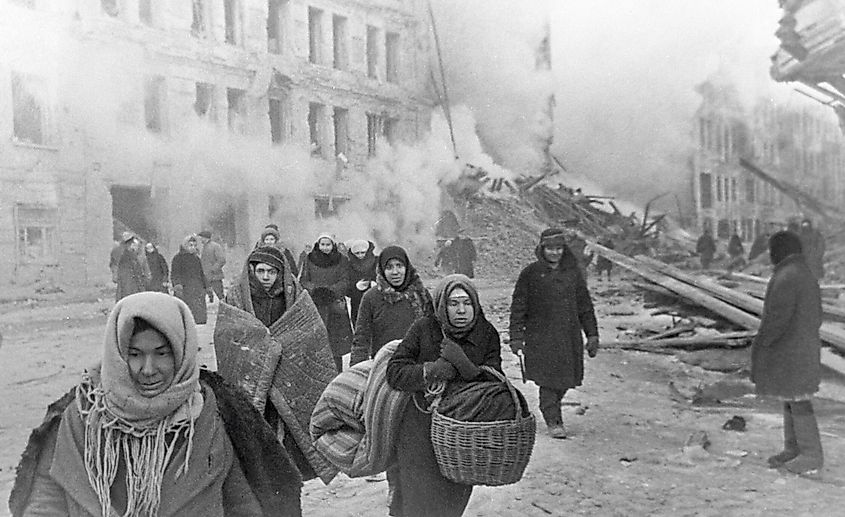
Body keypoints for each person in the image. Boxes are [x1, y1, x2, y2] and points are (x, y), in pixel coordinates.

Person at [10, 292, 302, 517]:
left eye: (162, 353)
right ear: (118, 354)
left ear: (181, 352)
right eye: (135, 354)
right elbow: (45, 503)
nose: (148, 369)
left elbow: (241, 504)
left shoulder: (209, 414)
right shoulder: (82, 415)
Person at [220, 245, 339, 485]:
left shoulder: (295, 296)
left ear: (281, 273)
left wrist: (281, 345)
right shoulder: (236, 298)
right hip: (252, 375)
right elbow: (226, 334)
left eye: (271, 272)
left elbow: (310, 331)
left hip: (288, 376)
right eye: (260, 271)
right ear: (251, 271)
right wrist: (260, 347)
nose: (265, 277)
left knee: (288, 435)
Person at [387, 275, 501, 517]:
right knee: (416, 502)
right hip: (420, 430)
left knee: (452, 503)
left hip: (462, 434)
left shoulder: (487, 333)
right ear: (441, 305)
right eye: (453, 303)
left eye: (467, 303)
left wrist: (465, 366)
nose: (461, 310)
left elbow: (496, 384)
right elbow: (395, 372)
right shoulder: (424, 328)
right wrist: (431, 370)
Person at [350, 245, 434, 513]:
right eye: (389, 267)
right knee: (392, 436)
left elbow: (435, 331)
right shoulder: (372, 298)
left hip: (419, 376)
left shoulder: (421, 295)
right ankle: (396, 486)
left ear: (407, 267)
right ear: (381, 270)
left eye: (399, 266)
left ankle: (415, 491)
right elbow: (361, 336)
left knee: (419, 437)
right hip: (386, 378)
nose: (395, 272)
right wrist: (358, 372)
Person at [509, 228, 599, 439]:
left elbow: (585, 305)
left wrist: (592, 334)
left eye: (558, 248)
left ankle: (552, 407)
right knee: (548, 379)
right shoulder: (530, 273)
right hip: (541, 338)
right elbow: (518, 307)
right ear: (542, 249)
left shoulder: (573, 273)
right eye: (550, 248)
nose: (554, 253)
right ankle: (553, 419)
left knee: (567, 378)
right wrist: (516, 337)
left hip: (568, 337)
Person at [752, 231, 824, 476]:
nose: (770, 255)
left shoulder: (788, 276)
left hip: (791, 349)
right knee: (791, 396)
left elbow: (776, 319)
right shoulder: (801, 273)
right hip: (799, 347)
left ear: (780, 250)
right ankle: (793, 449)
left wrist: (763, 345)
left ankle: (810, 454)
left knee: (798, 398)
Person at [301, 234, 353, 372]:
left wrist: (332, 291)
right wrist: (315, 290)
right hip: (316, 304)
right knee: (317, 341)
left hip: (335, 305)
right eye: (322, 244)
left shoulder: (341, 260)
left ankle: (337, 373)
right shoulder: (309, 259)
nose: (325, 248)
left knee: (335, 345)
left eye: (328, 244)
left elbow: (345, 280)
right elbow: (304, 280)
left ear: (333, 245)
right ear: (318, 244)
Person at [171, 234, 209, 325]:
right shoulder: (178, 258)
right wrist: (178, 285)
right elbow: (175, 274)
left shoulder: (196, 259)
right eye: (190, 245)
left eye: (195, 245)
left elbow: (201, 274)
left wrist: (207, 287)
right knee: (187, 317)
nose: (193, 248)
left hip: (197, 289)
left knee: (199, 319)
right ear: (185, 246)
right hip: (186, 289)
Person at [346, 240, 378, 326]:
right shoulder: (349, 266)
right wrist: (355, 287)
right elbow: (346, 287)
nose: (360, 255)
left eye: (363, 252)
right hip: (357, 301)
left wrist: (377, 284)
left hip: (376, 299)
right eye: (357, 253)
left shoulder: (377, 262)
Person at [113, 234, 149, 302]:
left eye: (136, 245)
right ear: (130, 245)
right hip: (128, 284)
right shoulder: (125, 256)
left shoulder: (134, 256)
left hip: (134, 283)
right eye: (134, 245)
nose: (136, 247)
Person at [198, 230, 226, 303]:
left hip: (215, 276)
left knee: (220, 295)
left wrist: (213, 269)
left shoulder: (215, 246)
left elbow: (222, 260)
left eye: (201, 238)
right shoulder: (204, 247)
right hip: (206, 276)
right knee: (208, 295)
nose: (200, 239)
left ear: (206, 238)